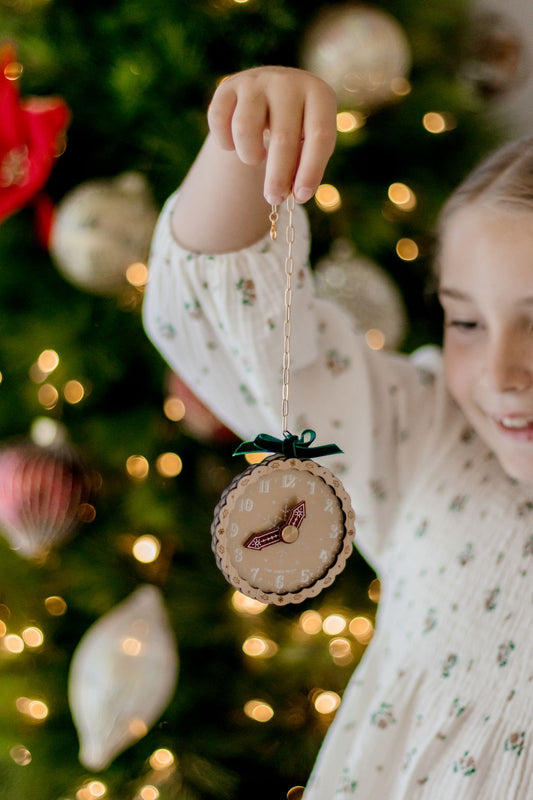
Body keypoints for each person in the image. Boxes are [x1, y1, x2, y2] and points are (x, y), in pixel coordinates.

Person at [143, 66, 533, 798]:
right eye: (467, 322)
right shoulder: (430, 440)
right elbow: (217, 324)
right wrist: (246, 144)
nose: (500, 374)